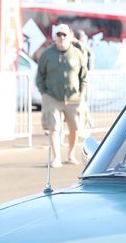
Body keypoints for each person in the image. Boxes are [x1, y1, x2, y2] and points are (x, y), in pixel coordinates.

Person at [36, 23, 88, 167]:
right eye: (59, 34)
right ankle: (56, 157)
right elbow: (40, 75)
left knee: (74, 128)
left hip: (73, 97)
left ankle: (70, 155)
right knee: (54, 128)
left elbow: (84, 76)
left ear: (70, 36)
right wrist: (43, 93)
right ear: (55, 37)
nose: (62, 37)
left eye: (64, 34)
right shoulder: (47, 54)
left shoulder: (77, 53)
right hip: (52, 96)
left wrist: (82, 93)